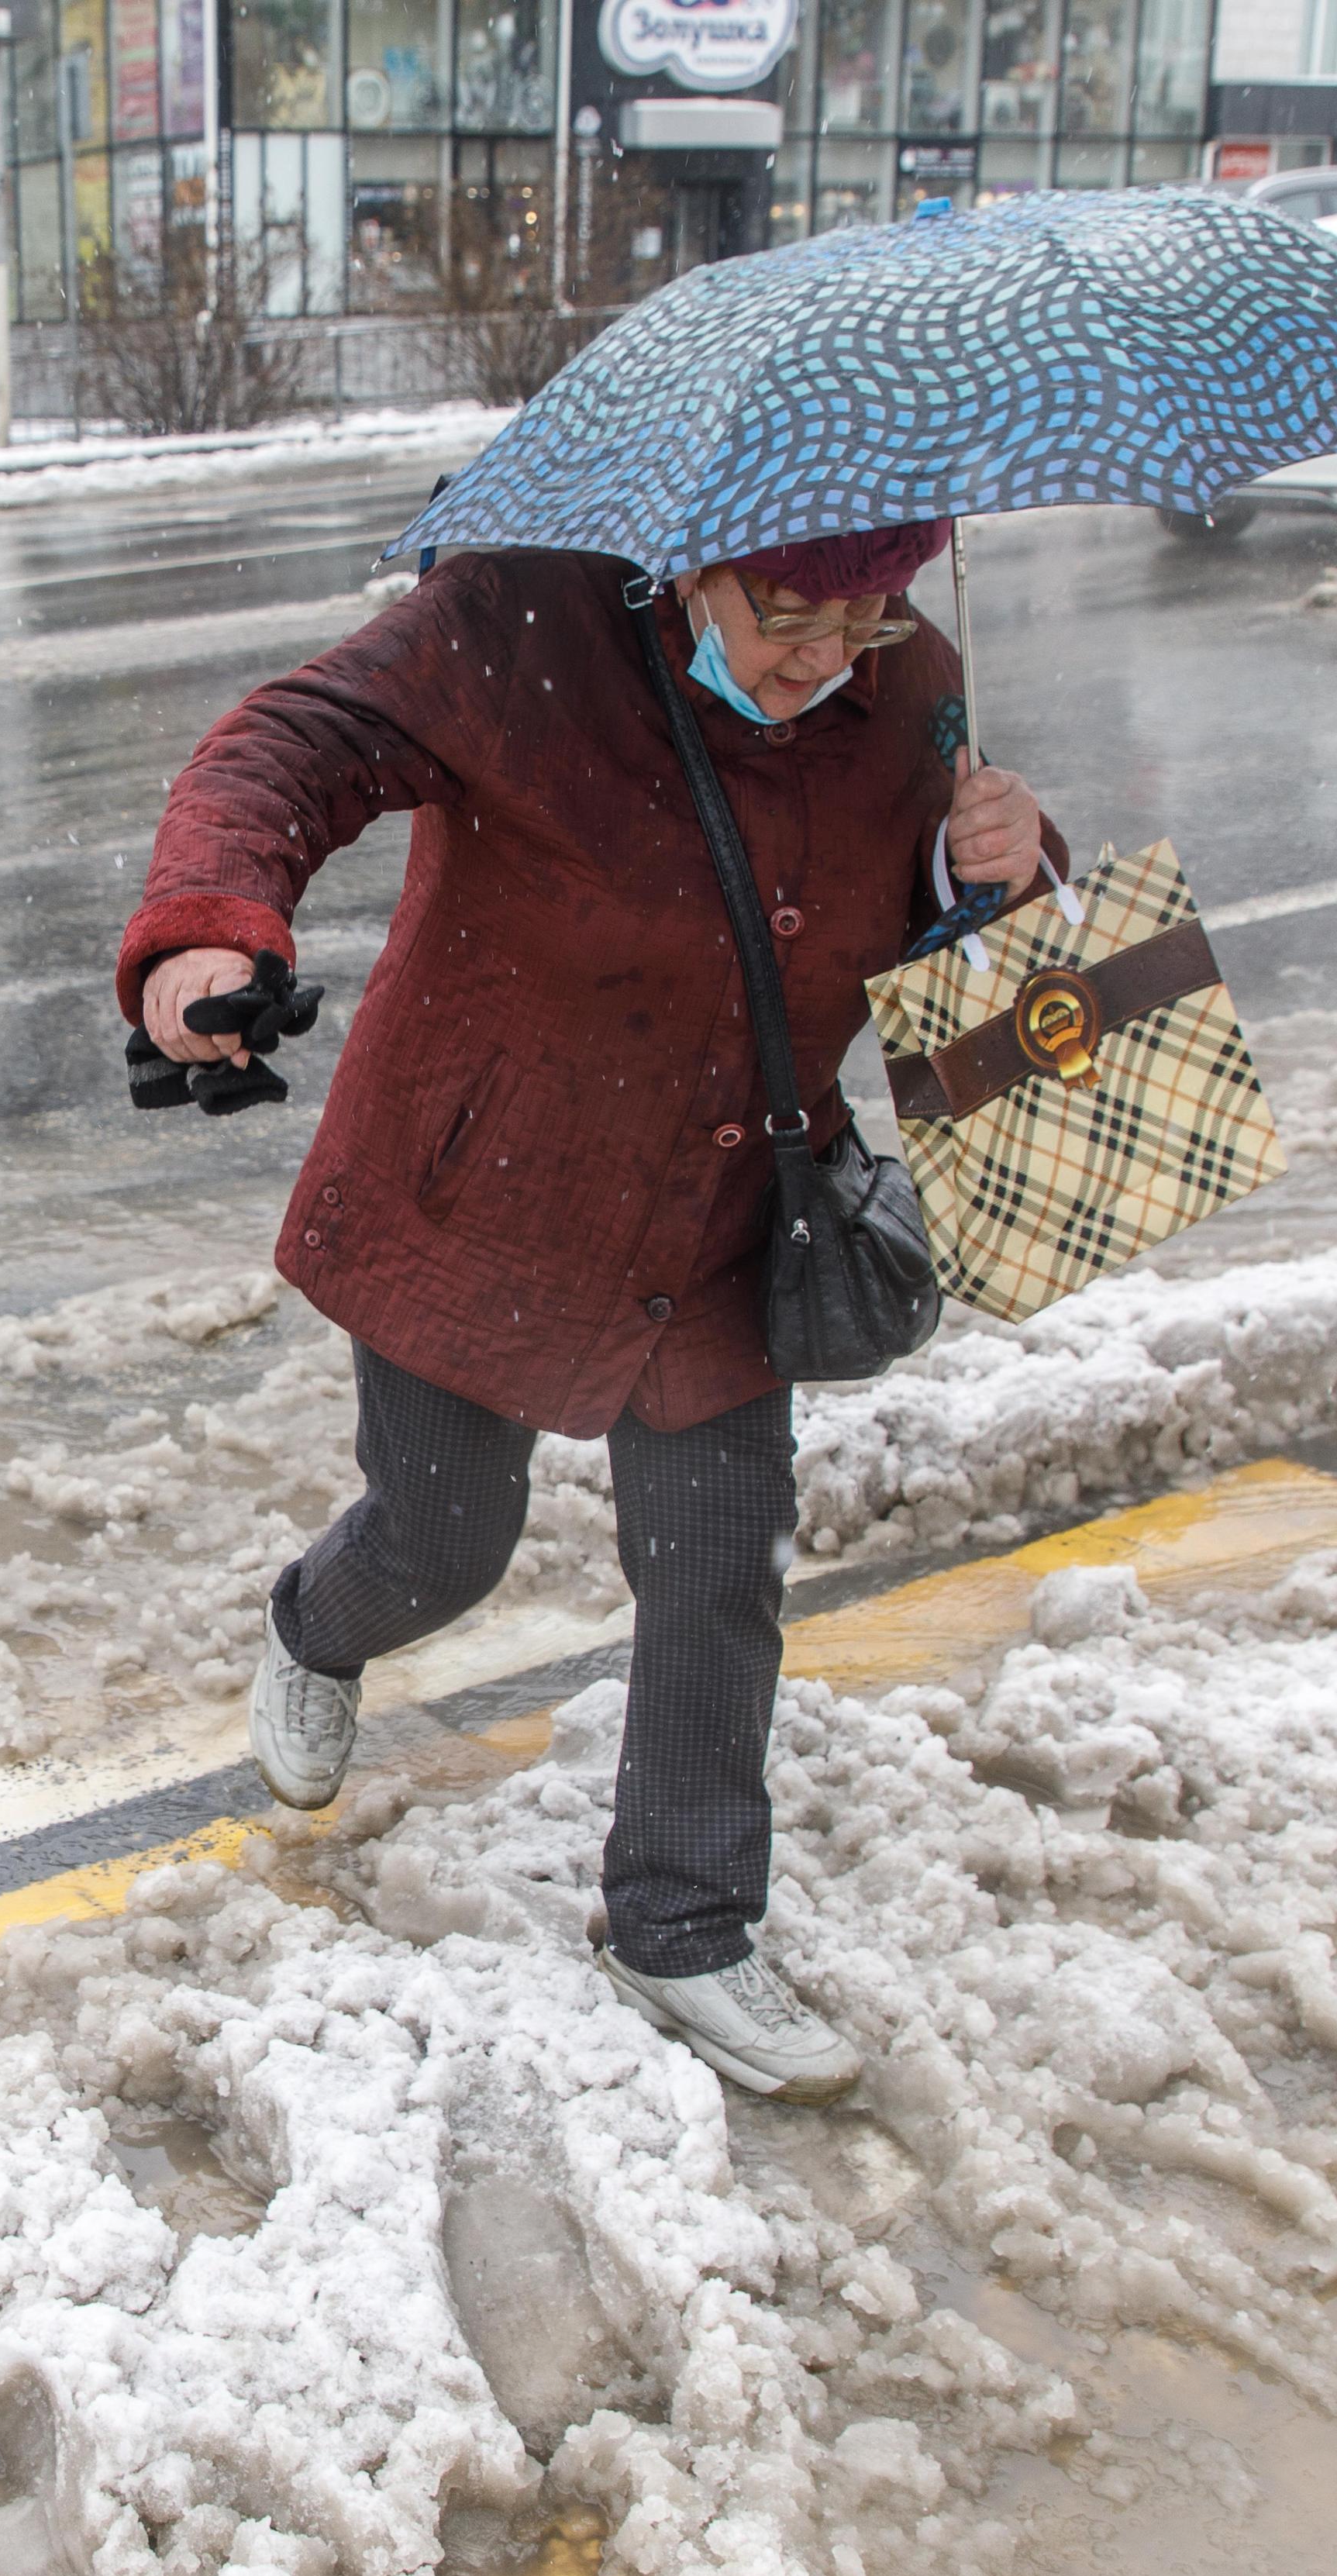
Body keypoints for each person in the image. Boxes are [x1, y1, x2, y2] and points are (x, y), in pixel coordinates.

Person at [115, 525, 1066, 2105]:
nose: (824, 654)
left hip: (720, 1211)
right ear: (696, 559)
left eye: (866, 620)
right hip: (479, 1176)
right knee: (442, 1538)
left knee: (717, 1564)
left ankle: (683, 1926)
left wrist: (1005, 871)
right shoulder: (519, 625)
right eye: (786, 612)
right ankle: (312, 1622)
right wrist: (213, 924)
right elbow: (292, 742)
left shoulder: (917, 699)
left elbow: (953, 973)